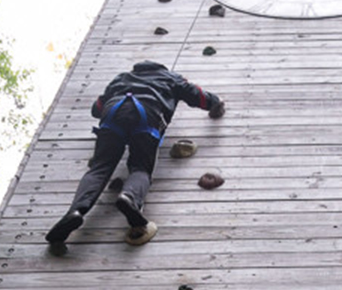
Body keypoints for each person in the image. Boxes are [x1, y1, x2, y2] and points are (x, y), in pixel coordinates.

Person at [45, 60, 225, 255]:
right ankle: (129, 197)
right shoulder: (171, 78)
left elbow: (97, 109)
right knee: (140, 168)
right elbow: (198, 96)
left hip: (113, 112)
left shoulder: (122, 78)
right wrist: (216, 103)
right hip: (147, 113)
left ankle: (75, 211)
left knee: (99, 168)